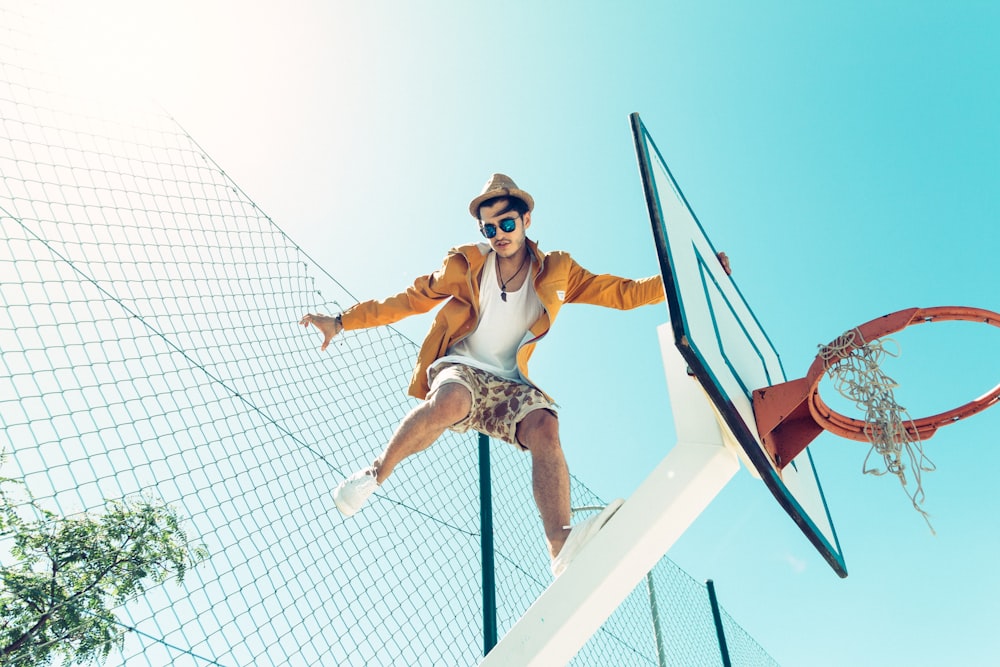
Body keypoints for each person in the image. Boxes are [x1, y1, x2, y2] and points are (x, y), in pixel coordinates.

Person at [300, 174, 664, 577]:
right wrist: (341, 321)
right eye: (489, 229)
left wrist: (681, 279)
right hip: (461, 366)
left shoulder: (558, 270)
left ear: (527, 219)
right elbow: (409, 300)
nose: (499, 236)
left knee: (545, 424)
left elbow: (625, 293)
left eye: (507, 224)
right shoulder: (465, 264)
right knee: (451, 401)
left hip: (509, 381)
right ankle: (374, 474)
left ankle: (562, 549)